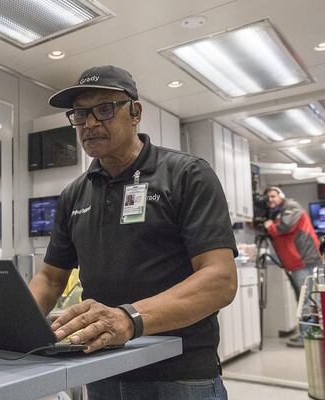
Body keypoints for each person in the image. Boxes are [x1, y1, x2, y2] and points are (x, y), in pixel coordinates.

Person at [28, 65, 238, 400]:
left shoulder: (187, 175)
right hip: (101, 370)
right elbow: (51, 278)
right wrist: (13, 325)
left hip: (179, 376)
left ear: (135, 112)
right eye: (81, 114)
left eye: (105, 109)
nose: (91, 123)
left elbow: (220, 279)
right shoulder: (74, 194)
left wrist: (131, 318)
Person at [263, 186, 322, 347]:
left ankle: (306, 337)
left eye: (273, 196)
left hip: (304, 261)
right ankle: (308, 334)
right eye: (268, 198)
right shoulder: (279, 213)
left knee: (306, 299)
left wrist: (269, 226)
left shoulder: (291, 207)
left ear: (281, 196)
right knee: (306, 298)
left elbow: (285, 226)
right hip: (297, 263)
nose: (271, 200)